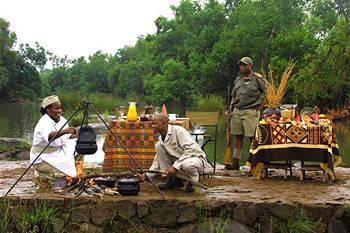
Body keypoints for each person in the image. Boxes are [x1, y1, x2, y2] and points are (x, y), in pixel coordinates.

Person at [146, 113, 211, 192]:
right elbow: (158, 160)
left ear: (164, 123)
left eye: (155, 123)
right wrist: (147, 176)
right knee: (158, 146)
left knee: (187, 164)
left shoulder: (178, 131)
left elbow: (191, 149)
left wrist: (175, 167)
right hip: (180, 162)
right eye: (152, 124)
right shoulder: (161, 139)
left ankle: (193, 182)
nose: (152, 126)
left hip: (195, 159)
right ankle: (173, 180)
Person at [226, 57, 267, 170]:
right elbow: (234, 96)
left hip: (251, 111)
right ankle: (235, 162)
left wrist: (260, 106)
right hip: (237, 110)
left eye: (245, 65)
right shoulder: (238, 80)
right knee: (238, 136)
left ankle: (254, 162)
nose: (242, 67)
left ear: (250, 66)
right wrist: (231, 109)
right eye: (241, 65)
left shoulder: (257, 79)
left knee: (252, 137)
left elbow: (267, 92)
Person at [30, 95, 78, 188]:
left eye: (60, 108)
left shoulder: (62, 120)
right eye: (56, 108)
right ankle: (42, 177)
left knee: (79, 149)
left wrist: (74, 135)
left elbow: (66, 137)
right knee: (63, 176)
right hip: (42, 158)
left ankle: (75, 173)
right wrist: (65, 131)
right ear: (48, 109)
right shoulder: (43, 123)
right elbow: (50, 136)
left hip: (57, 154)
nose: (59, 111)